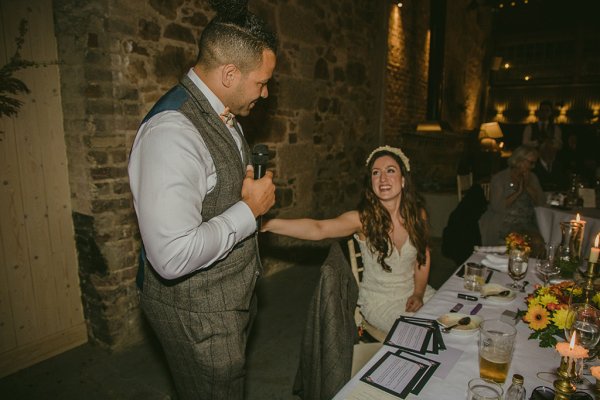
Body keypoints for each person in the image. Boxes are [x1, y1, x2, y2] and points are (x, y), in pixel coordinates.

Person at [127, 1, 277, 398]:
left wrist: (240, 191)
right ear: (230, 73)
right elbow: (173, 255)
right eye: (262, 82)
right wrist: (249, 210)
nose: (265, 93)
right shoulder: (172, 134)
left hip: (228, 299)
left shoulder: (221, 111)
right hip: (198, 314)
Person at [261, 146, 435, 333]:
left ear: (403, 180)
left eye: (390, 170)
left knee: (450, 322)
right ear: (371, 182)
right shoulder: (363, 220)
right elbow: (318, 229)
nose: (383, 178)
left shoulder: (418, 215)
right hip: (381, 302)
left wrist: (418, 293)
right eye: (376, 173)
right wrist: (268, 224)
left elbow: (422, 257)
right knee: (420, 334)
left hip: (415, 292)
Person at [479, 145, 545, 255]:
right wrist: (518, 192)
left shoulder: (532, 178)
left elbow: (541, 202)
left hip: (527, 223)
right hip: (505, 222)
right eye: (530, 163)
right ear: (519, 160)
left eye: (534, 163)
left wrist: (528, 187)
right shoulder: (500, 178)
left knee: (538, 242)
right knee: (519, 242)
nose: (532, 167)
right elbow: (497, 206)